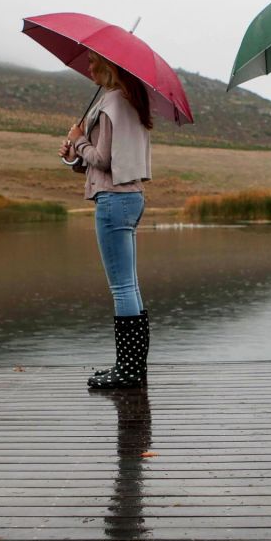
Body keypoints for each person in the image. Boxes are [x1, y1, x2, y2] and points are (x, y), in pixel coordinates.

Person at [59, 52, 152, 390]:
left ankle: (127, 370)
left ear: (110, 67)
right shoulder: (131, 102)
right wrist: (75, 158)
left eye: (94, 63)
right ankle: (134, 367)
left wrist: (79, 139)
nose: (89, 68)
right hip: (132, 197)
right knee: (131, 284)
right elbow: (105, 160)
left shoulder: (111, 105)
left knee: (122, 286)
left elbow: (102, 158)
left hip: (113, 200)